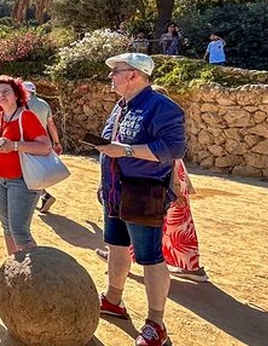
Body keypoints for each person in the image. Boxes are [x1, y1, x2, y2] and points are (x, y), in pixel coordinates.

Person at [95, 52, 186, 346]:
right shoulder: (121, 106)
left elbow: (173, 149)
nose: (111, 76)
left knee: (150, 258)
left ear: (133, 74)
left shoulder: (162, 107)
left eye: (116, 71)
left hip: (144, 194)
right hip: (114, 192)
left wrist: (126, 151)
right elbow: (111, 147)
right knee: (117, 247)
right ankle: (113, 300)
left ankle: (156, 324)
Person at [96, 85, 208, 283]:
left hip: (158, 185)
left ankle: (186, 266)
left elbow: (172, 157)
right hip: (157, 183)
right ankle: (185, 264)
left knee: (167, 229)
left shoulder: (159, 117)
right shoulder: (128, 110)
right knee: (168, 227)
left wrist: (176, 189)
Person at [0, 77, 52, 255]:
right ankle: (14, 267)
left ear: (16, 95)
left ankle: (36, 273)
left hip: (22, 179)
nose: (2, 95)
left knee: (20, 232)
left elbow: (45, 146)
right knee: (7, 227)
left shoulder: (26, 116)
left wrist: (13, 145)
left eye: (6, 91)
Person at [22, 81, 63, 213]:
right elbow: (51, 124)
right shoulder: (44, 104)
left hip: (27, 143)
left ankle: (44, 195)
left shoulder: (21, 104)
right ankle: (43, 195)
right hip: (43, 142)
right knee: (36, 170)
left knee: (27, 172)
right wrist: (56, 142)